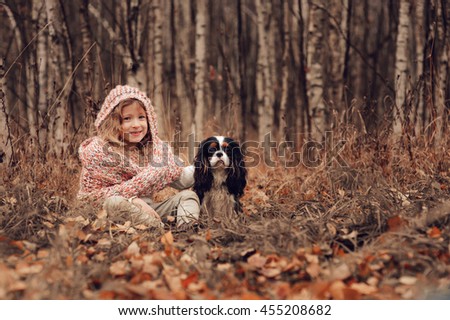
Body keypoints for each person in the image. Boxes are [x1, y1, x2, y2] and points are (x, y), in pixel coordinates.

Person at [77, 85, 199, 230]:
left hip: (152, 210)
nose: (136, 125)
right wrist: (132, 199)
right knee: (114, 202)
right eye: (127, 119)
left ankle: (186, 227)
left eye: (141, 117)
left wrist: (207, 166)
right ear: (113, 122)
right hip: (118, 212)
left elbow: (182, 179)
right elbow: (89, 200)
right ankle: (155, 228)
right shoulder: (98, 153)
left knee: (187, 196)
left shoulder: (154, 151)